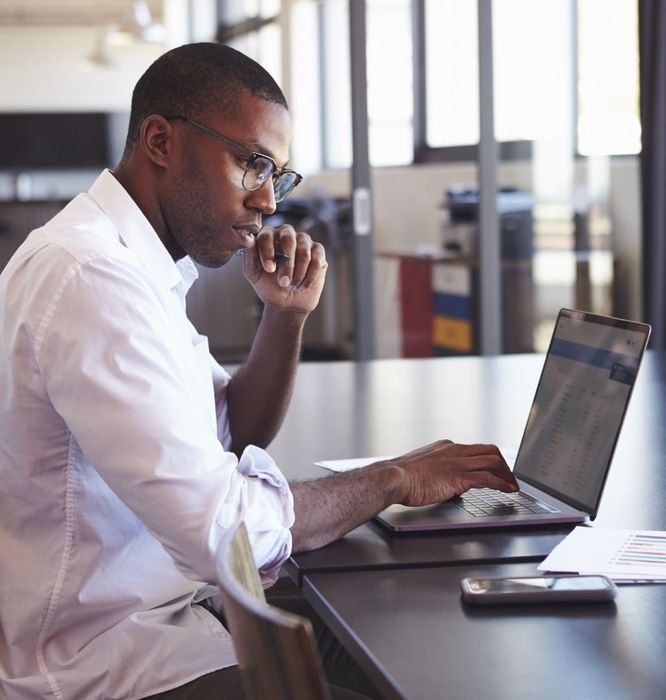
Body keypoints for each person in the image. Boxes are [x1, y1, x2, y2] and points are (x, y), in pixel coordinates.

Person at [0, 43, 518, 700]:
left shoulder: (133, 266)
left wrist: (286, 314)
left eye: (279, 174)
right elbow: (223, 531)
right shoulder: (92, 276)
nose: (269, 200)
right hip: (107, 664)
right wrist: (396, 476)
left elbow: (232, 431)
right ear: (161, 140)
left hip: (168, 619)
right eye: (253, 164)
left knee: (413, 648)